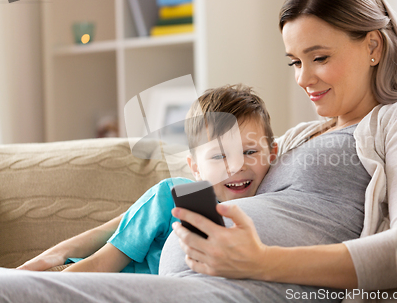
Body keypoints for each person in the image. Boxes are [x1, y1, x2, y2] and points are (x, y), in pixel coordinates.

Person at [0, 0, 397, 302]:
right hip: (186, 284)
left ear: (373, 45)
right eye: (295, 62)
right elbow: (169, 198)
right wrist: (66, 251)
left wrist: (258, 262)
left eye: (319, 57)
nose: (303, 78)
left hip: (247, 289)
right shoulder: (296, 137)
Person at [23, 84, 279, 274]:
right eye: (219, 156)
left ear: (273, 154)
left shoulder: (276, 208)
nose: (236, 166)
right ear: (196, 168)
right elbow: (103, 263)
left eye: (250, 152)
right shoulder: (175, 195)